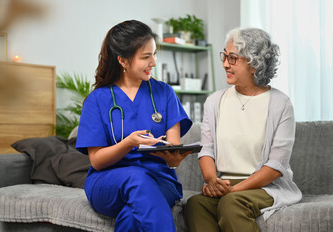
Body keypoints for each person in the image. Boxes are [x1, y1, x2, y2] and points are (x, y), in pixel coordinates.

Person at [75, 20, 192, 232]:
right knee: (136, 178)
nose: (154, 62)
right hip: (108, 181)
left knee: (131, 217)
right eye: (146, 57)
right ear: (123, 61)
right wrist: (129, 143)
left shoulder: (164, 93)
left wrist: (174, 159)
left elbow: (174, 146)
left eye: (155, 54)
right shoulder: (97, 100)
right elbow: (98, 161)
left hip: (160, 180)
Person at [184, 28, 302, 232]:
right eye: (225, 56)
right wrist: (213, 183)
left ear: (254, 63)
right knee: (196, 204)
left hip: (264, 186)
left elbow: (276, 166)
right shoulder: (214, 101)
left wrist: (233, 190)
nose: (225, 64)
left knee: (231, 204)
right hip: (225, 184)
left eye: (232, 58)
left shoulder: (281, 104)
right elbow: (207, 150)